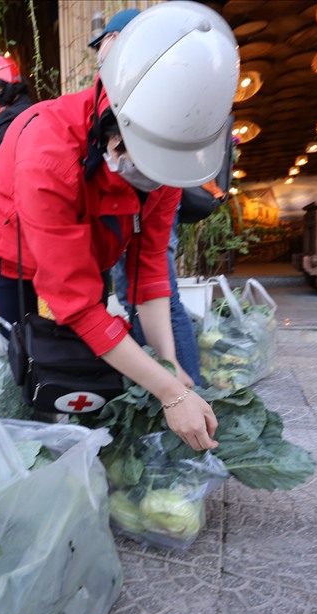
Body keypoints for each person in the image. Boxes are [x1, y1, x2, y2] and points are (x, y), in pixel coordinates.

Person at [0, 2, 239, 451]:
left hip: (90, 247)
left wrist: (168, 362)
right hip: (13, 249)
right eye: (143, 162)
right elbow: (75, 305)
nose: (155, 181)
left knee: (91, 349)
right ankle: (29, 439)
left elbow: (149, 270)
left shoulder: (164, 155)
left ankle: (82, 431)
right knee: (27, 349)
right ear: (111, 125)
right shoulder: (48, 150)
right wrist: (171, 394)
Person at [93, 7, 202, 385]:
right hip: (135, 216)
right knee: (135, 296)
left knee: (158, 296)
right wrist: (163, 381)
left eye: (105, 44)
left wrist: (170, 379)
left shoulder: (156, 110)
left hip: (150, 209)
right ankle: (164, 386)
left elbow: (151, 267)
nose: (100, 55)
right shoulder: (98, 116)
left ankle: (189, 388)